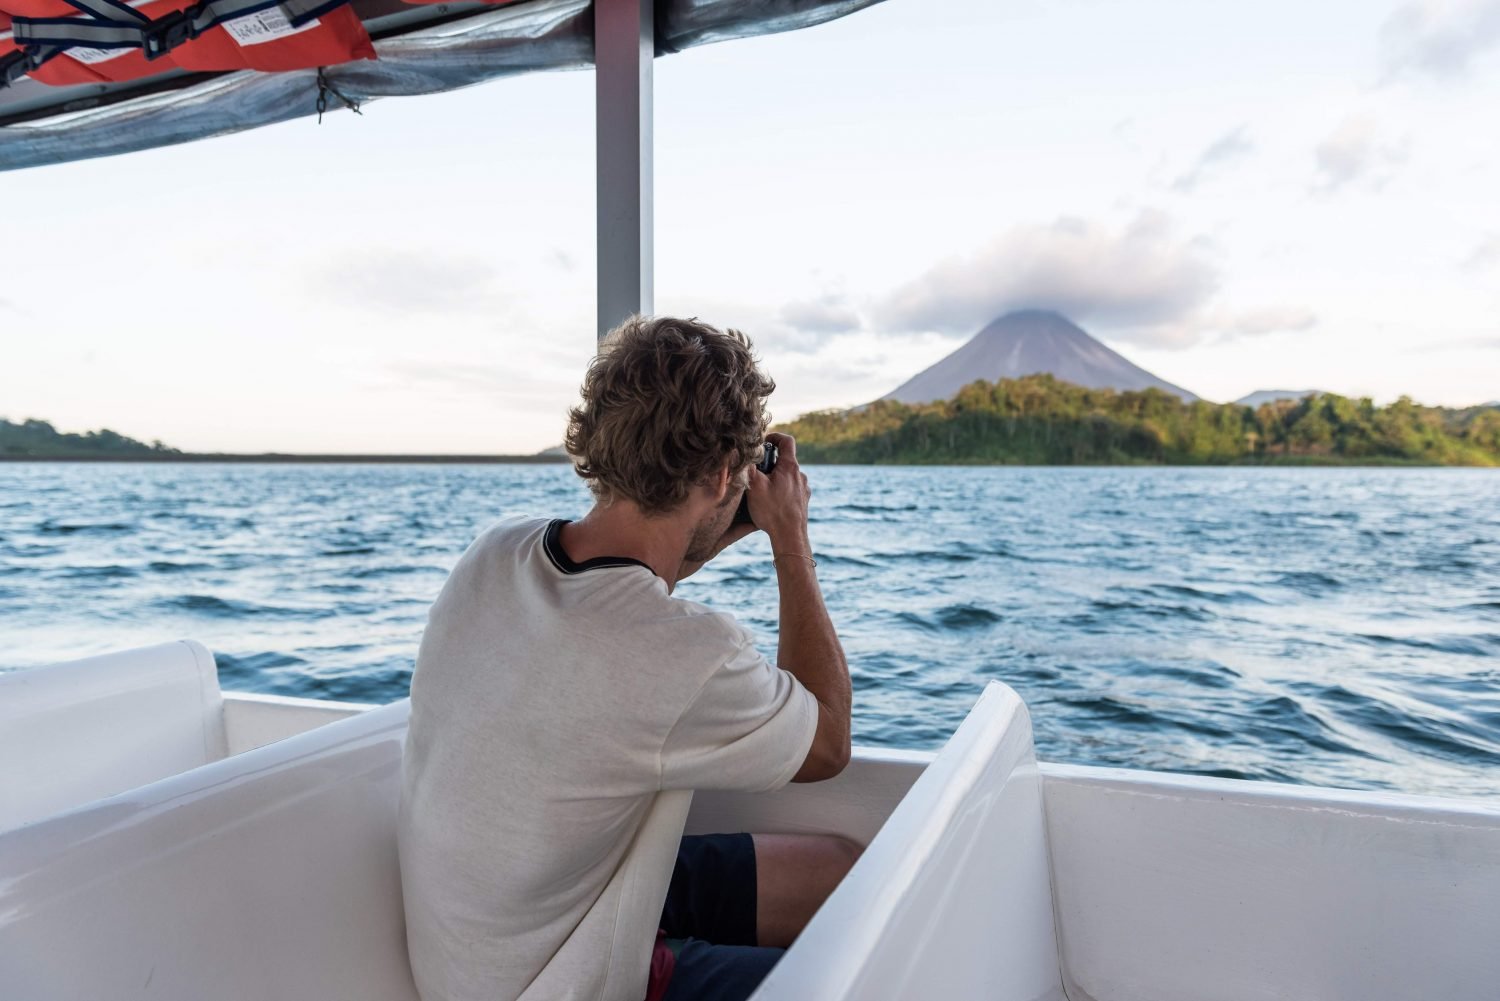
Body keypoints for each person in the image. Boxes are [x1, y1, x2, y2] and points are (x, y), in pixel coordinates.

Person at [398, 315, 858, 1001]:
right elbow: (827, 741)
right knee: (871, 973)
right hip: (548, 981)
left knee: (841, 873)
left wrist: (703, 523)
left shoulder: (494, 553)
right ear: (726, 471)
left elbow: (621, 606)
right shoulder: (686, 651)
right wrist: (788, 534)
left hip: (502, 931)